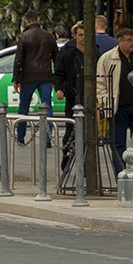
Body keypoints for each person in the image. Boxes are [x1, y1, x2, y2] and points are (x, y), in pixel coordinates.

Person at [13, 8, 57, 144]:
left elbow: (18, 60)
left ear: (26, 21)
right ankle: (48, 137)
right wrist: (56, 78)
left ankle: (20, 136)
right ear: (38, 20)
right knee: (46, 107)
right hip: (45, 76)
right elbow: (56, 57)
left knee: (24, 107)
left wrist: (16, 78)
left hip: (28, 77)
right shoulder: (48, 36)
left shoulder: (24, 37)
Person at [98, 27, 133, 173]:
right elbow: (100, 84)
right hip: (117, 107)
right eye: (129, 40)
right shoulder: (108, 58)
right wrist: (105, 101)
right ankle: (120, 173)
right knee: (118, 143)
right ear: (119, 41)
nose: (132, 43)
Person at [53, 21, 87, 171]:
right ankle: (66, 158)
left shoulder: (95, 54)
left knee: (87, 132)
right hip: (72, 98)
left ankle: (86, 164)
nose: (83, 38)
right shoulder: (68, 55)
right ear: (75, 36)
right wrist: (59, 89)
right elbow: (59, 74)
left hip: (89, 98)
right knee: (69, 131)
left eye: (86, 35)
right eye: (80, 35)